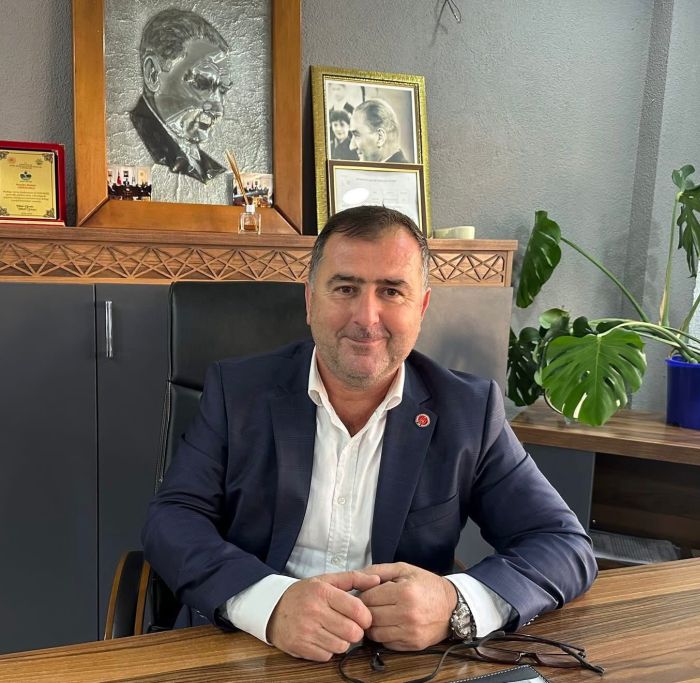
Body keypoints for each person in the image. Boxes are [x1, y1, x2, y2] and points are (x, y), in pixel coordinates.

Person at [143, 205, 596, 662]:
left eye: (391, 291)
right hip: (249, 648)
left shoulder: (468, 411)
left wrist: (455, 603)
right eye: (346, 288)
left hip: (398, 662)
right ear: (310, 301)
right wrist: (269, 603)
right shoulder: (237, 391)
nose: (367, 317)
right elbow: (173, 520)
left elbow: (562, 544)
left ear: (421, 307)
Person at [130, 9, 232, 184]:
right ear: (152, 74)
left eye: (222, 90)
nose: (218, 110)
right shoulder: (134, 147)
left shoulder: (209, 168)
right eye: (201, 83)